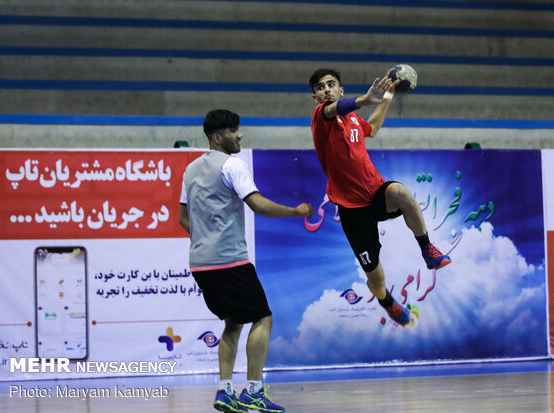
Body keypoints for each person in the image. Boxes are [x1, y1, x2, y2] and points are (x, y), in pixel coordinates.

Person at [179, 109, 314, 413]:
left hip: (200, 263)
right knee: (263, 317)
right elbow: (257, 203)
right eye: (233, 131)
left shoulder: (189, 171)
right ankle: (253, 391)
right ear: (217, 137)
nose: (240, 135)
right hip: (230, 261)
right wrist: (294, 211)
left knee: (232, 322)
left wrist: (203, 239)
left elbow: (182, 217)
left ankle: (225, 391)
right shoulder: (232, 165)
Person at [308, 68, 451, 327]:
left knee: (401, 193)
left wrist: (386, 98)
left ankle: (427, 248)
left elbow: (371, 128)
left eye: (331, 85)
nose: (326, 89)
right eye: (320, 87)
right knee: (375, 277)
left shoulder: (352, 120)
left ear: (341, 90)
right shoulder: (321, 116)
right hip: (352, 210)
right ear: (315, 97)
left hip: (376, 193)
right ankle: (386, 301)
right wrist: (366, 99)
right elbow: (335, 109)